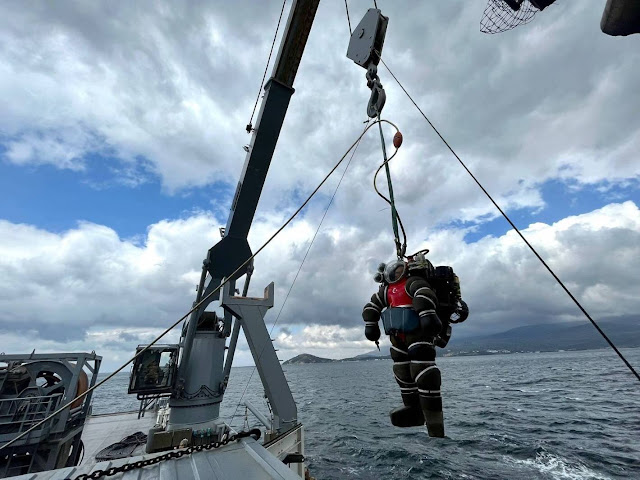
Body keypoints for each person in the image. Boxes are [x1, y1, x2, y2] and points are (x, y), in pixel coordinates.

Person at [362, 251, 468, 437]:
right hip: (397, 338)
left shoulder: (412, 283)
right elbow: (373, 305)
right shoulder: (386, 290)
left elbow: (423, 294)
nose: (395, 273)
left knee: (424, 372)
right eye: (392, 271)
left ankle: (434, 422)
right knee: (402, 372)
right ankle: (412, 410)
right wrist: (371, 323)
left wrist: (427, 314)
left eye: (398, 270)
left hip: (418, 334)